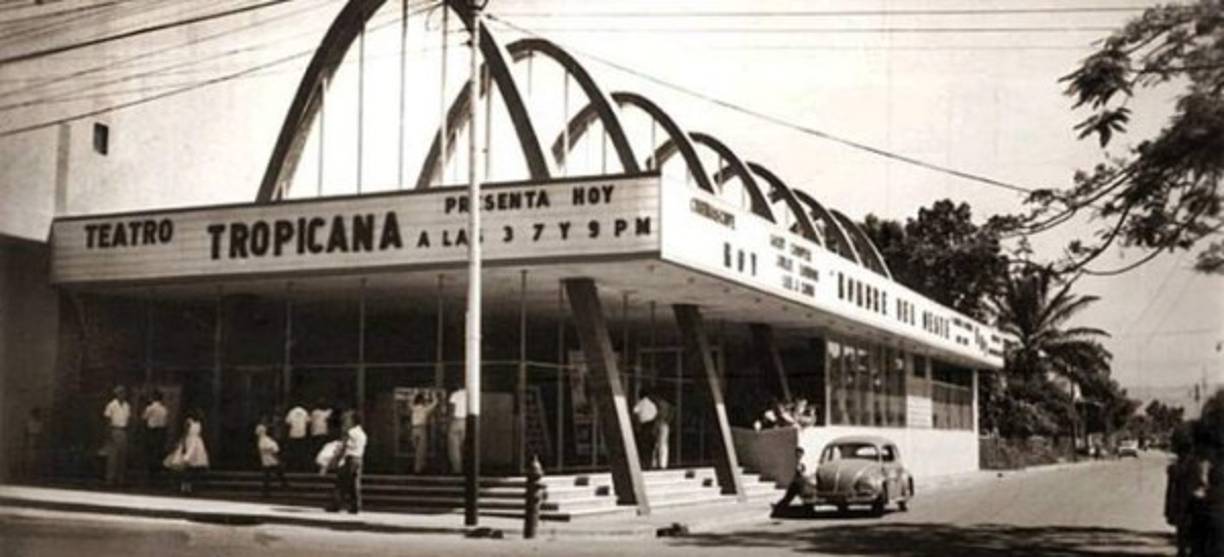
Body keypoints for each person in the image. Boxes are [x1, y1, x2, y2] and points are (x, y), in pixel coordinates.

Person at [326, 409, 366, 514]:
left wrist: (337, 459)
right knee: (354, 483)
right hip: (358, 458)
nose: (346, 421)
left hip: (349, 458)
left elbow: (345, 446)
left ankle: (336, 504)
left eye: (348, 419)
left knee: (341, 482)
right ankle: (355, 506)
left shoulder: (351, 432)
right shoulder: (362, 433)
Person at [1166, 424, 1196, 557]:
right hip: (1189, 510)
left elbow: (1171, 492)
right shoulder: (1176, 468)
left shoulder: (1176, 468)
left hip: (1187, 509)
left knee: (1184, 543)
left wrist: (1169, 511)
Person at [173, 410, 210, 494]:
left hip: (194, 441)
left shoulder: (196, 422)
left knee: (191, 465)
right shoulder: (191, 422)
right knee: (187, 464)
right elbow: (186, 433)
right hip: (192, 441)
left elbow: (187, 433)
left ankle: (188, 486)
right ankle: (185, 486)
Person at [103, 386, 131, 487]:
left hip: (123, 430)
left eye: (124, 393)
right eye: (120, 393)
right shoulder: (111, 405)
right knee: (113, 456)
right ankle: (110, 478)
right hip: (114, 429)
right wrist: (109, 433)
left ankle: (120, 479)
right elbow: (107, 419)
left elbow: (128, 419)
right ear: (117, 394)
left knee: (122, 456)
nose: (122, 395)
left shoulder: (127, 405)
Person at [255, 422, 289, 497]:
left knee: (270, 475)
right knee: (273, 474)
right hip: (268, 460)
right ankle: (283, 485)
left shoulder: (264, 440)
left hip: (270, 460)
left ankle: (283, 486)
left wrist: (275, 456)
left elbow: (271, 449)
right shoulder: (264, 439)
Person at [142, 390, 168, 483]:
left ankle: (149, 474)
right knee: (157, 453)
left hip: (151, 432)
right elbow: (165, 423)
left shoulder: (150, 408)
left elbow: (144, 418)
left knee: (150, 453)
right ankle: (156, 475)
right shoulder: (164, 409)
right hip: (160, 432)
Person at [773, 447, 808, 515]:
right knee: (788, 498)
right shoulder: (794, 462)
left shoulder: (799, 463)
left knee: (791, 497)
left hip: (798, 483)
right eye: (799, 453)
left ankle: (778, 507)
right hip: (795, 483)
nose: (800, 455)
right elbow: (796, 472)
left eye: (801, 454)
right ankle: (778, 508)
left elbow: (801, 471)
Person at [410, 391, 439, 474]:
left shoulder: (413, 407)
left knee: (416, 449)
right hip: (422, 429)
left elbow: (409, 402)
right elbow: (435, 403)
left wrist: (414, 393)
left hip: (413, 429)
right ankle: (418, 469)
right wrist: (433, 395)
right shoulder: (425, 409)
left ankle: (420, 466)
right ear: (423, 401)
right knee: (421, 450)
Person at [632, 391, 658, 469]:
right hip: (651, 426)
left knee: (643, 446)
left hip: (643, 426)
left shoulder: (640, 403)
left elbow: (634, 412)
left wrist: (636, 423)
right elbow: (656, 414)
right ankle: (649, 463)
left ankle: (642, 463)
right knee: (650, 447)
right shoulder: (652, 404)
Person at [651, 393, 674, 470]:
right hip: (662, 424)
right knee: (660, 444)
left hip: (661, 424)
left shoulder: (661, 404)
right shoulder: (667, 405)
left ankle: (659, 463)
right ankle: (661, 463)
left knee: (660, 444)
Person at [284, 402, 309, 471]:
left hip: (293, 434)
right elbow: (308, 422)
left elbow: (287, 423)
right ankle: (301, 466)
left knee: (293, 451)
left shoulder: (291, 412)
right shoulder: (304, 411)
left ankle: (293, 466)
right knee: (301, 452)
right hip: (302, 434)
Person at [448, 388, 467, 474]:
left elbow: (452, 410)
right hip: (467, 421)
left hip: (456, 420)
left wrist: (448, 421)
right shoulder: (471, 394)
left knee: (454, 447)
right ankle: (466, 467)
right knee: (464, 446)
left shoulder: (455, 394)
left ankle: (457, 469)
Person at [309, 399, 333, 464]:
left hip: (315, 432)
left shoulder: (314, 412)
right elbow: (330, 412)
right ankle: (319, 461)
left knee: (317, 448)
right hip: (322, 432)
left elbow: (310, 421)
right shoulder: (326, 413)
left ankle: (316, 461)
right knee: (321, 448)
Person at [23, 408, 44, 481]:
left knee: (37, 457)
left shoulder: (40, 423)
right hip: (32, 439)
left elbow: (40, 433)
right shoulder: (30, 422)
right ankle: (29, 474)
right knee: (31, 456)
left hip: (37, 439)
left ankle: (35, 474)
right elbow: (27, 432)